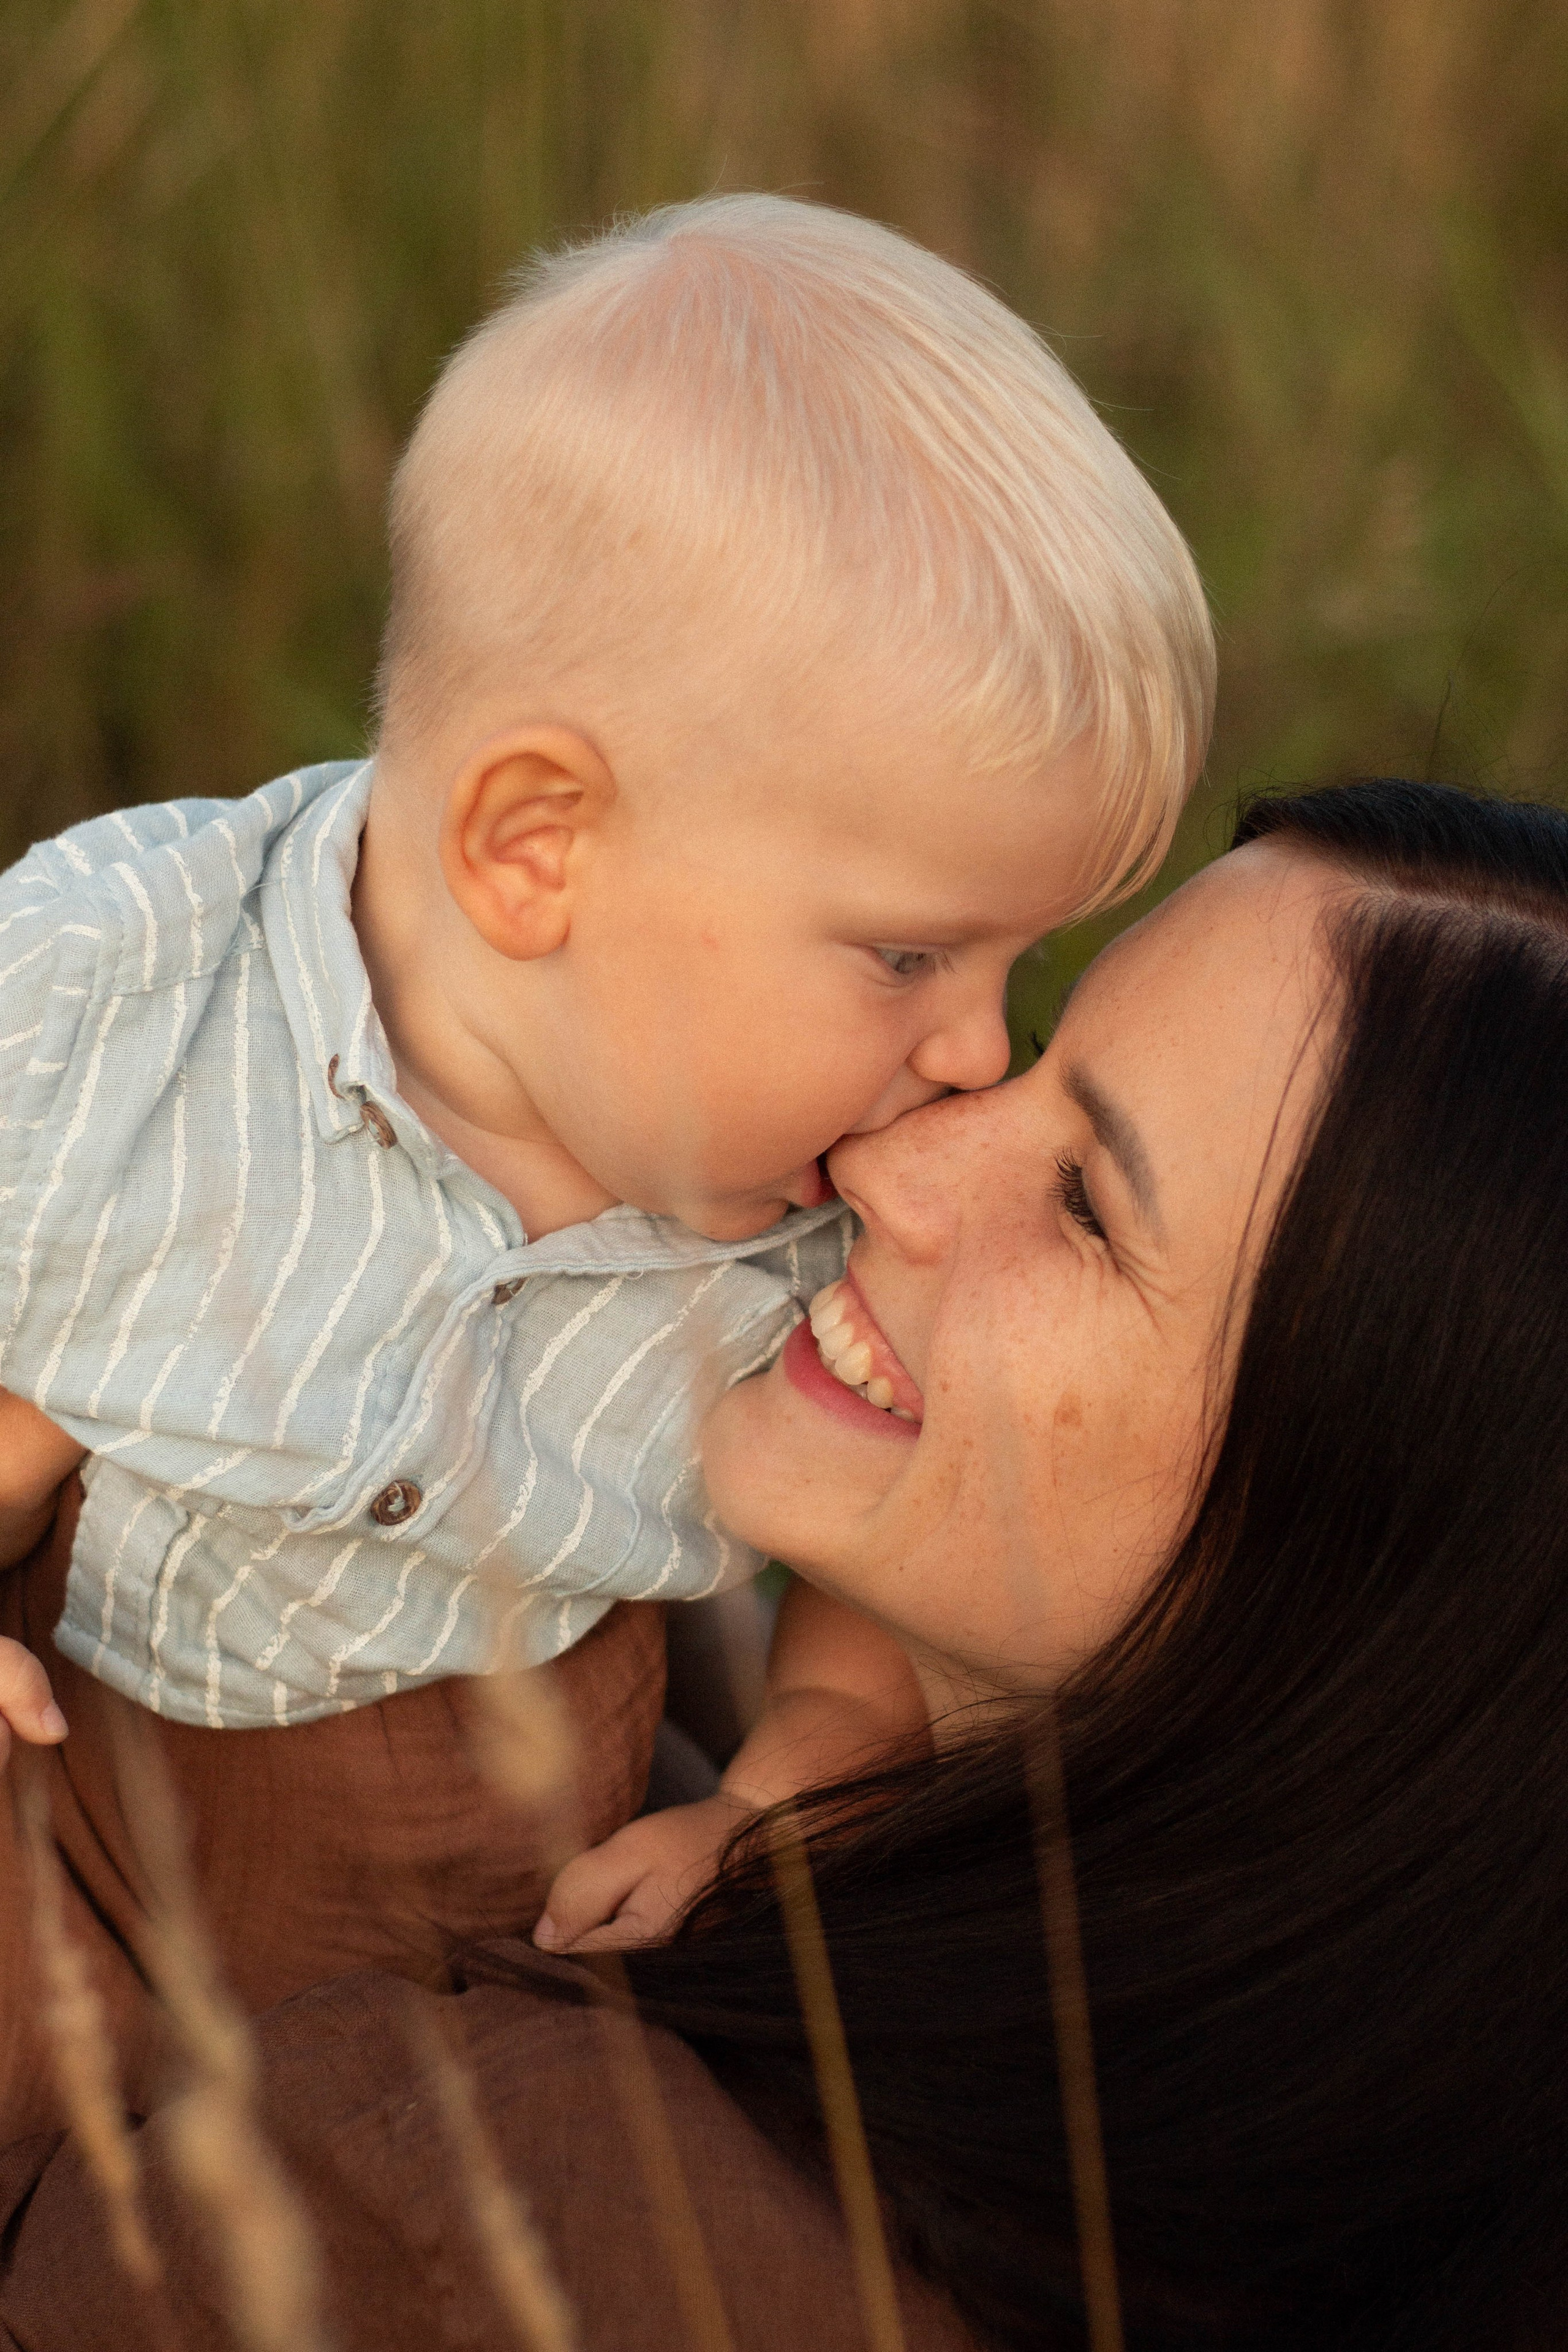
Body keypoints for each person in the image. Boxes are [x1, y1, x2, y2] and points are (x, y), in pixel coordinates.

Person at [7, 778, 1566, 2352]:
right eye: (1029, 1059)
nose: (893, 1160)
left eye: (1085, 1206)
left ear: (1373, 1567)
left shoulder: (540, 2204)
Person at [0, 193, 1213, 2136]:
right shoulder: (114, 990)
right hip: (91, 1826)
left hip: (503, 1913)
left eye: (1019, 964)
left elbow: (867, 1568)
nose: (979, 1054)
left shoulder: (831, 1193)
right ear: (539, 847)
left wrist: (771, 1786)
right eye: (912, 954)